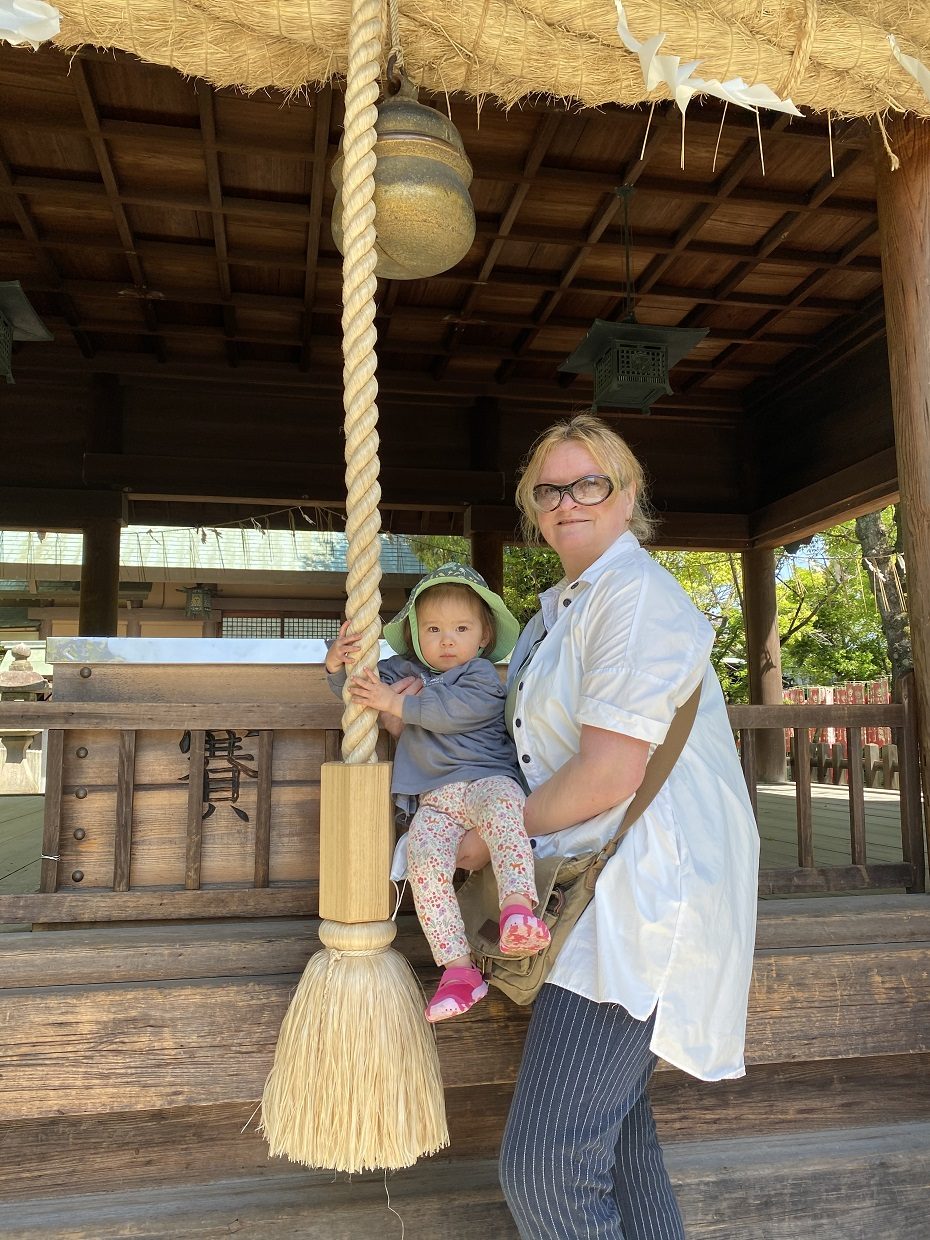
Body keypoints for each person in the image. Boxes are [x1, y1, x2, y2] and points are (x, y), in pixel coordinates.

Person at [454, 413, 759, 1238]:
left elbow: (608, 773)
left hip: (644, 898)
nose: (567, 500)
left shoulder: (633, 595)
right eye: (548, 489)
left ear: (627, 497)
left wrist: (487, 839)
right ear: (533, 510)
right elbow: (477, 695)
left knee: (547, 1171)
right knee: (620, 1151)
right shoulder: (561, 610)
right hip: (598, 891)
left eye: (589, 482)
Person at [325, 563, 551, 1023]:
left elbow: (453, 712)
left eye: (460, 628)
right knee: (424, 861)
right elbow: (357, 687)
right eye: (433, 629)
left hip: (487, 779)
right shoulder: (404, 672)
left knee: (507, 815)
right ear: (413, 634)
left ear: (484, 636)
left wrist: (396, 704)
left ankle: (518, 909)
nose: (447, 640)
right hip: (435, 798)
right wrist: (338, 663)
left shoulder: (483, 677)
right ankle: (457, 969)